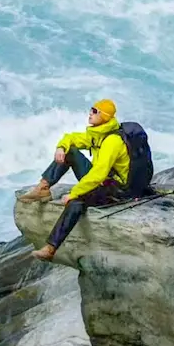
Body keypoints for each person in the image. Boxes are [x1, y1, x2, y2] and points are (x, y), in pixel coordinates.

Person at [19, 99, 149, 261]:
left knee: (76, 202)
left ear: (105, 116)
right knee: (70, 152)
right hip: (105, 179)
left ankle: (51, 248)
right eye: (91, 109)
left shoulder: (112, 141)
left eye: (95, 111)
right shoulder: (99, 133)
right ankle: (43, 188)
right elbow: (72, 138)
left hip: (118, 189)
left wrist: (74, 193)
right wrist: (61, 147)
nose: (90, 113)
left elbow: (98, 174)